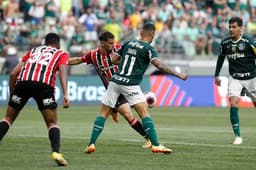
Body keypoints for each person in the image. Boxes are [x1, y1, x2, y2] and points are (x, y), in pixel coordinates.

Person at [85, 22, 188, 154]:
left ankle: (91, 144)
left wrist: (125, 65)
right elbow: (160, 66)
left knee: (103, 114)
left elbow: (113, 59)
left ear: (141, 33)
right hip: (130, 84)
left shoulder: (128, 43)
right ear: (153, 35)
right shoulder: (148, 49)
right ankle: (156, 145)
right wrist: (177, 74)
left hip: (115, 81)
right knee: (144, 113)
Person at [68, 31, 152, 154]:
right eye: (110, 43)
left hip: (127, 84)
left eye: (114, 42)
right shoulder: (93, 56)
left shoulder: (119, 48)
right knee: (128, 115)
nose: (113, 45)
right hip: (114, 90)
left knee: (141, 110)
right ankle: (148, 138)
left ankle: (114, 111)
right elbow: (78, 60)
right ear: (102, 43)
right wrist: (62, 61)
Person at [0, 33, 70, 166]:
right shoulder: (61, 53)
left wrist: (12, 95)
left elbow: (13, 73)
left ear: (45, 42)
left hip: (23, 83)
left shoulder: (33, 50)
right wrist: (66, 94)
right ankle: (56, 153)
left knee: (8, 119)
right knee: (52, 123)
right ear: (58, 44)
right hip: (43, 85)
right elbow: (62, 70)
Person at [214, 16, 256, 145]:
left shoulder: (248, 41)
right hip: (234, 78)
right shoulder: (225, 43)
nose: (231, 29)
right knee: (233, 102)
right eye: (230, 27)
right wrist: (216, 75)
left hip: (251, 78)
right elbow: (221, 58)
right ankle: (237, 136)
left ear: (240, 28)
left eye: (234, 27)